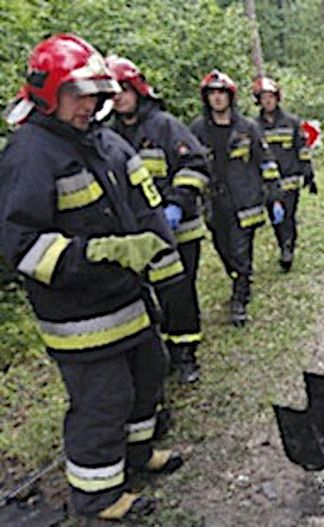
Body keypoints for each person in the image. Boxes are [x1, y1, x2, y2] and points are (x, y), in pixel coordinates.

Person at [0, 34, 184, 521]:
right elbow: (22, 247)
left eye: (96, 94)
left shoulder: (104, 141)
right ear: (46, 93)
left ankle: (138, 456)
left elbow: (144, 208)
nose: (91, 104)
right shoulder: (30, 154)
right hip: (80, 316)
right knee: (103, 401)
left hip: (129, 301)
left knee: (148, 376)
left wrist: (161, 265)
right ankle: (98, 494)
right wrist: (97, 253)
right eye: (77, 94)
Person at [107, 55, 211, 383]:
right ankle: (160, 352)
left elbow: (195, 165)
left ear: (138, 90)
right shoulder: (106, 136)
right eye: (113, 91)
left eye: (125, 89)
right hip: (135, 235)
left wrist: (177, 205)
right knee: (146, 297)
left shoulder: (165, 125)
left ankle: (185, 355)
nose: (119, 97)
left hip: (179, 231)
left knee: (178, 293)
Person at [191, 70, 283, 326]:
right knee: (224, 249)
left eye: (222, 93)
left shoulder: (248, 128)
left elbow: (266, 162)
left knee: (242, 252)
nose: (217, 98)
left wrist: (275, 196)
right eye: (212, 94)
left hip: (245, 200)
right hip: (214, 203)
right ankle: (238, 278)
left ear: (230, 97)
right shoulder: (198, 130)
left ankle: (240, 299)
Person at [251, 76, 316, 272]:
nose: (268, 101)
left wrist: (308, 173)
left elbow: (302, 148)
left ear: (277, 98)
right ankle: (283, 243)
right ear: (259, 100)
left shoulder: (292, 122)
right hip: (268, 182)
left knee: (288, 216)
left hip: (290, 179)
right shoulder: (253, 126)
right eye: (264, 97)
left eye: (271, 97)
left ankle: (288, 248)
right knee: (276, 218)